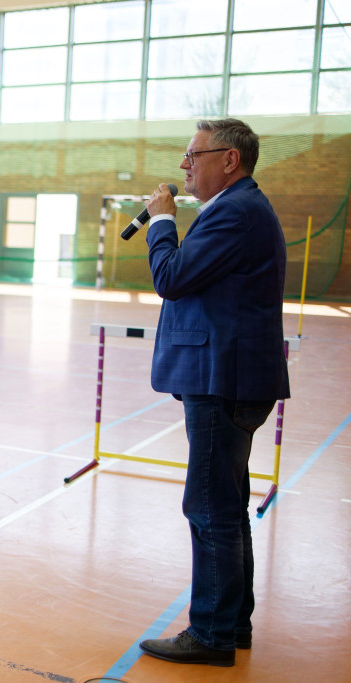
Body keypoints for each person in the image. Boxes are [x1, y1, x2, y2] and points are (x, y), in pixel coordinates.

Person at [137, 118, 290, 668]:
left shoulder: (234, 211)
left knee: (209, 507)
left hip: (221, 377)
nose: (184, 165)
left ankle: (211, 633)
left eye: (193, 154)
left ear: (230, 159)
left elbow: (172, 277)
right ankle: (231, 622)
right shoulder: (235, 210)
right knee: (223, 502)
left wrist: (160, 223)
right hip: (226, 375)